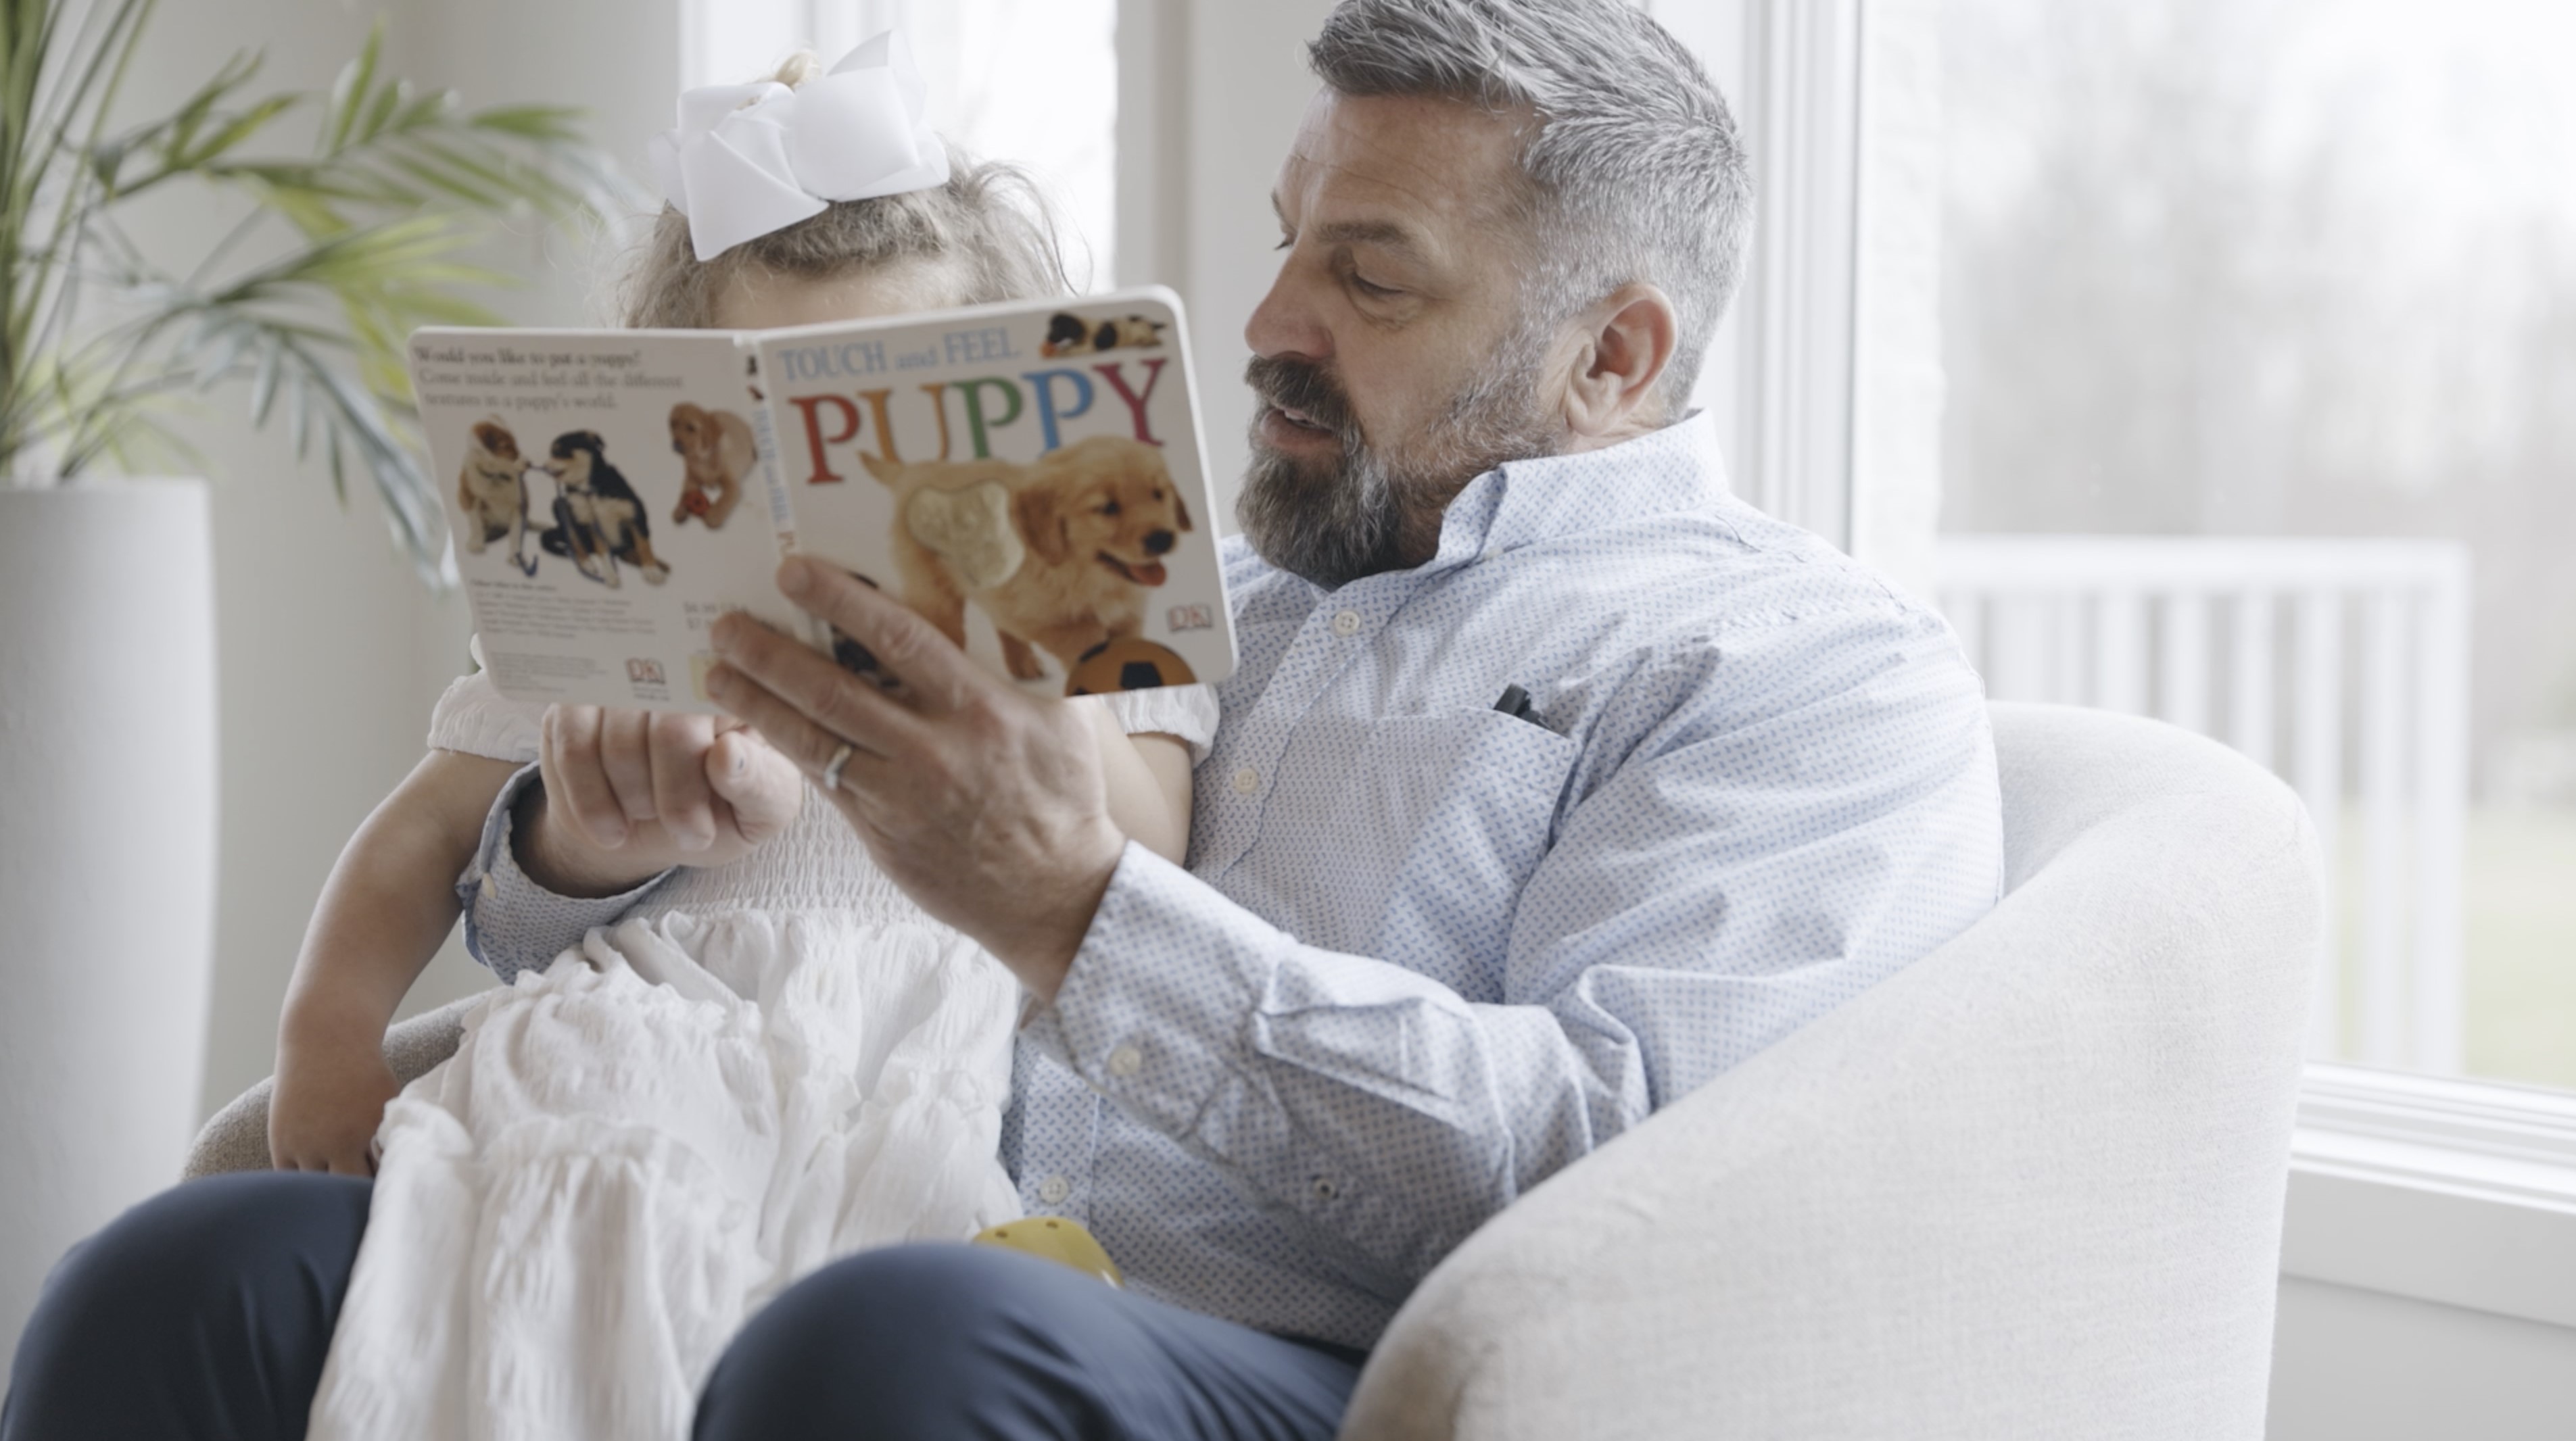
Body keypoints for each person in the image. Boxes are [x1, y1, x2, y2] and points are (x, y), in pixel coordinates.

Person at [6, 4, 2005, 1439]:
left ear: (1616, 352)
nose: (1265, 322)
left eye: (1367, 275)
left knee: (896, 1346)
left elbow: (1619, 1162)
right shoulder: (1222, 579)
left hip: (1251, 1333)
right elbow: (723, 911)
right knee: (175, 1283)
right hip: (793, 1171)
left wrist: (1074, 906)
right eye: (1287, 235)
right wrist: (558, 852)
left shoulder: (1793, 668)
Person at [3, 41, 1214, 1441]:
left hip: (927, 1041)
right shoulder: (614, 601)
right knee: (538, 1268)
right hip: (644, 1028)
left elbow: (1153, 848)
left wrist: (1026, 633)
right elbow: (417, 831)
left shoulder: (1089, 626)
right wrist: (330, 1034)